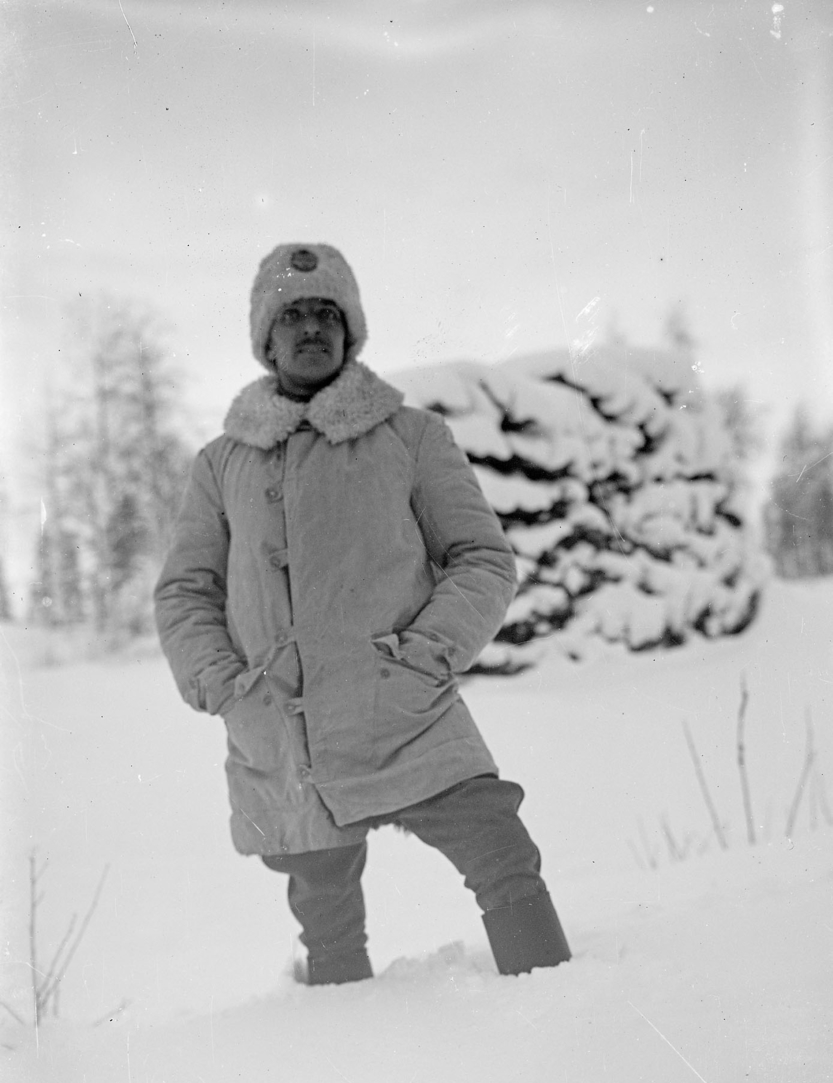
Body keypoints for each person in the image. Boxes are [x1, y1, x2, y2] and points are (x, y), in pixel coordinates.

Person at [154, 243, 571, 986]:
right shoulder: (221, 463)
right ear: (265, 337)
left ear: (350, 332)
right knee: (325, 909)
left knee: (498, 847)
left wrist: (425, 654)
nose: (311, 329)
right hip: (283, 724)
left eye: (327, 314)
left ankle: (559, 1002)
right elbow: (185, 590)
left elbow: (481, 557)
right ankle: (340, 1053)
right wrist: (222, 683)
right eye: (291, 316)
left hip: (402, 706)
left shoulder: (412, 438)